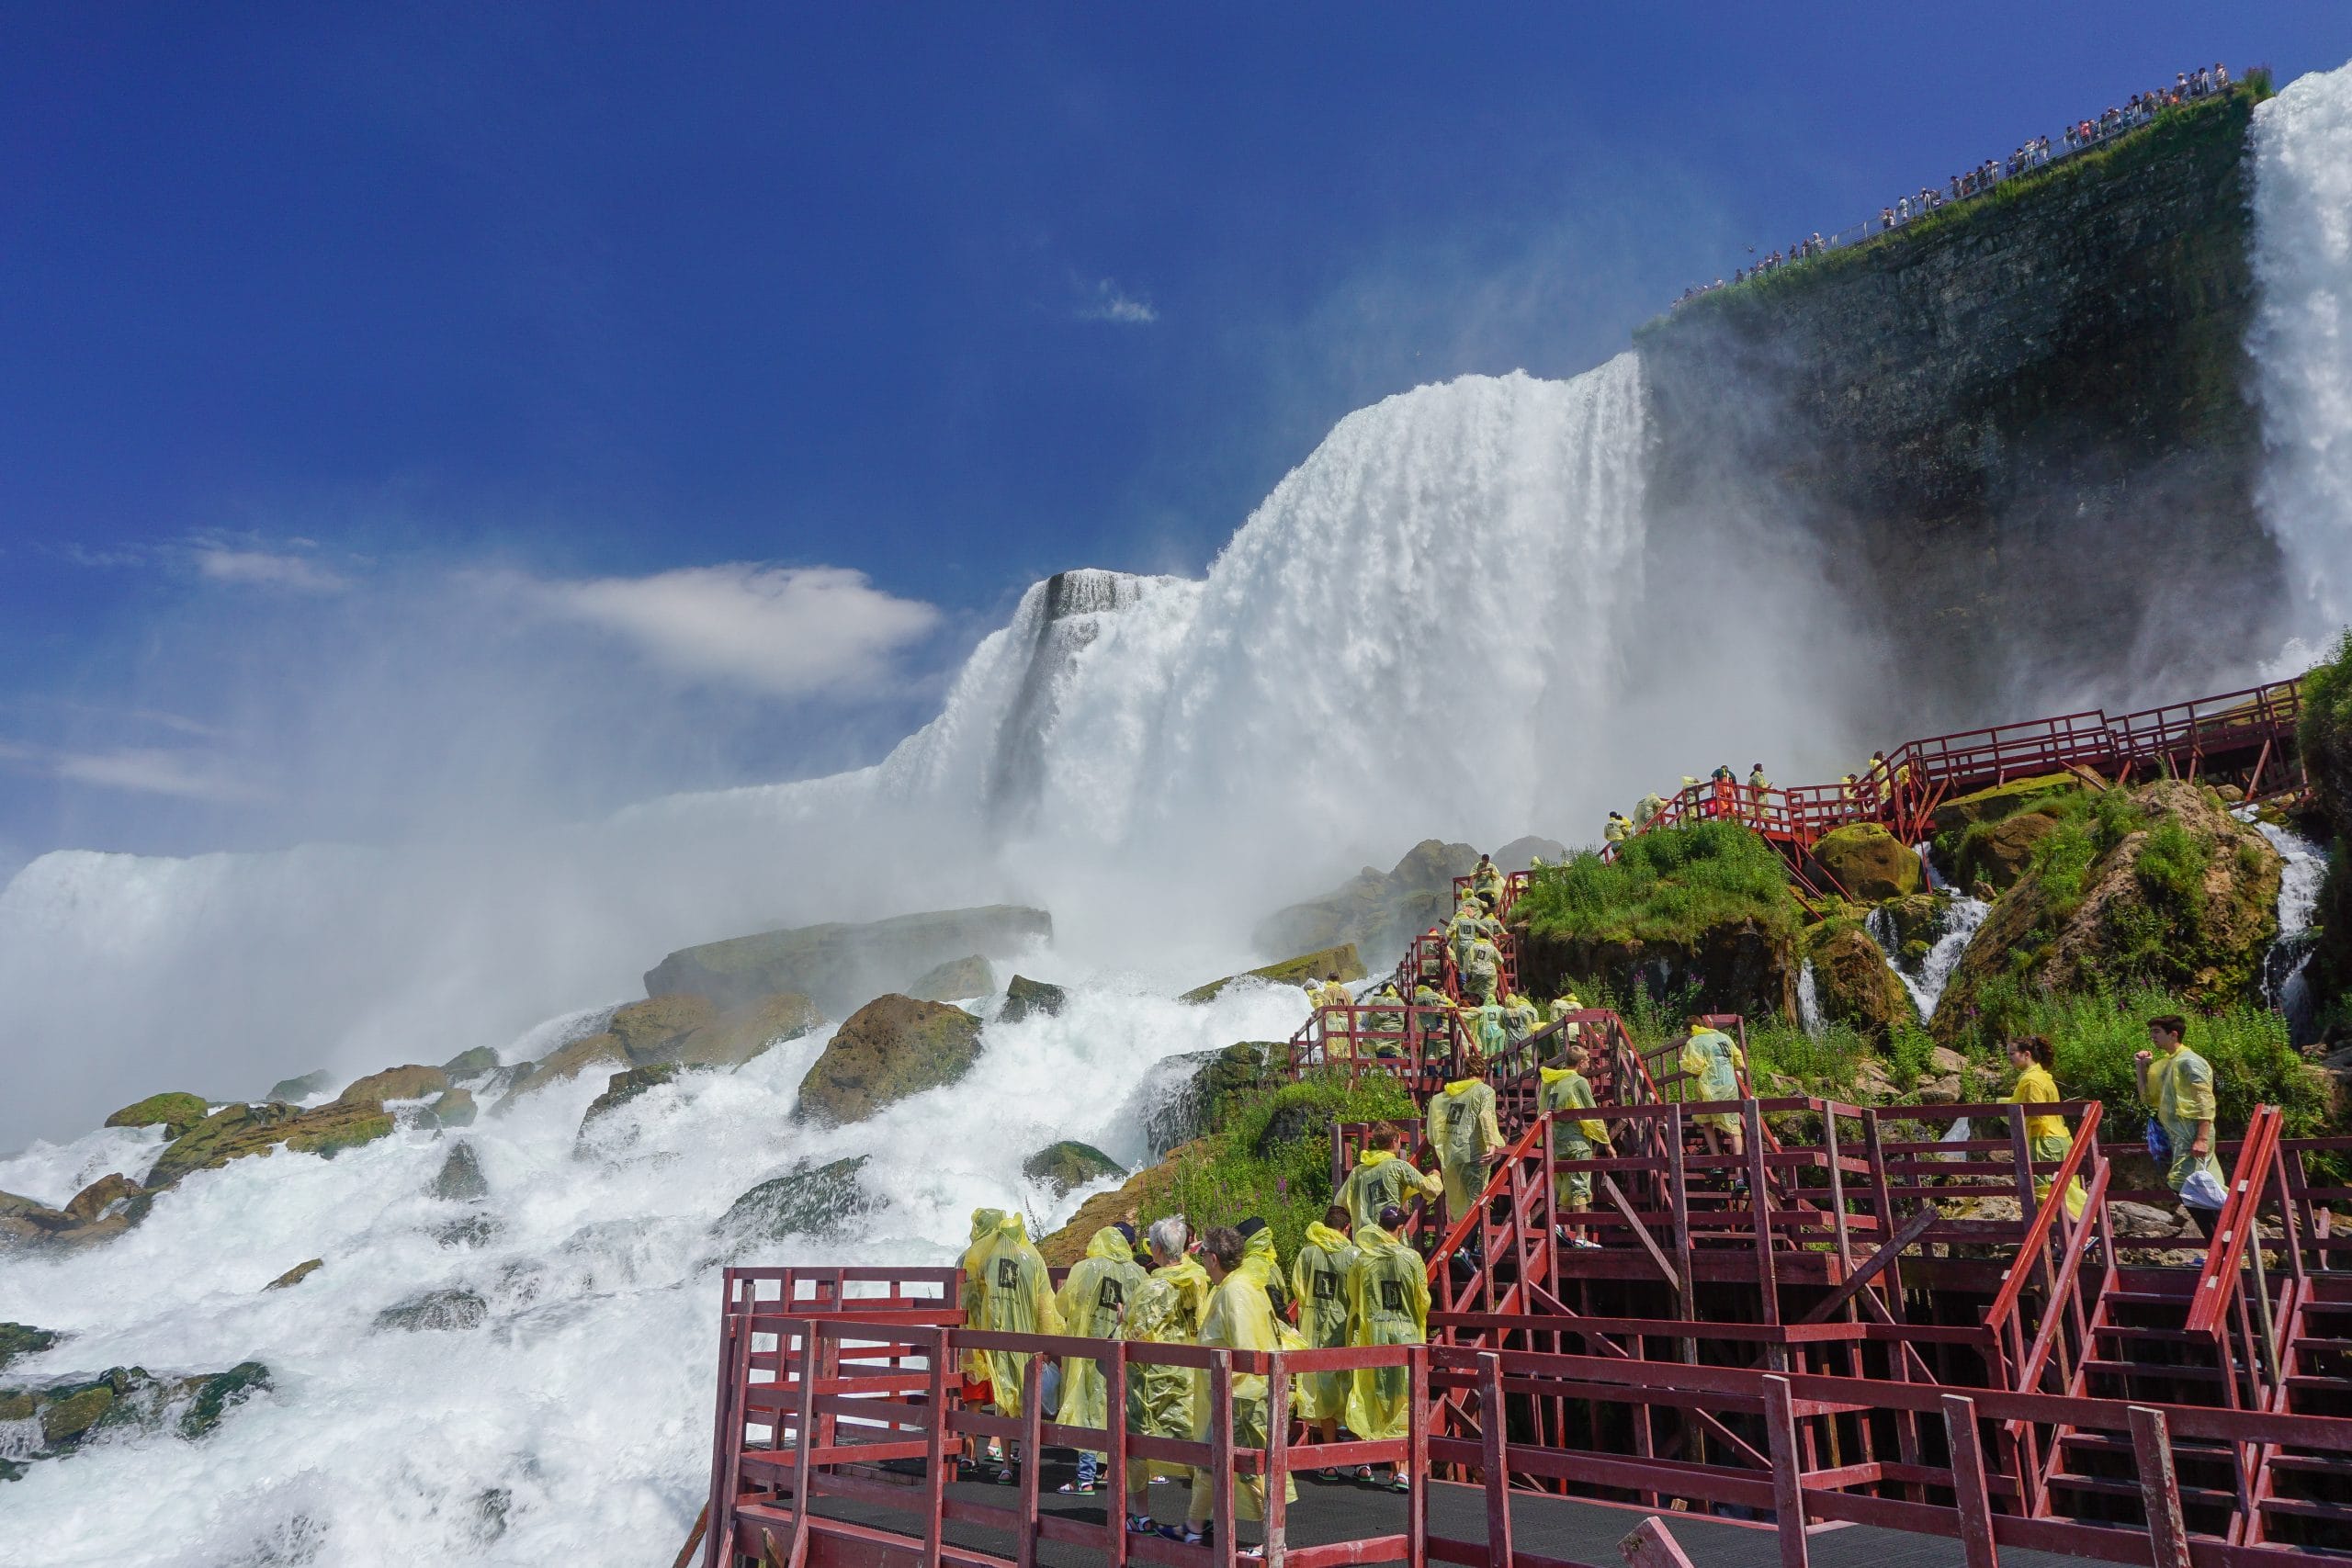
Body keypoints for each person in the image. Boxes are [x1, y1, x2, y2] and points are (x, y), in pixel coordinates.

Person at [1170, 1226, 1295, 1548]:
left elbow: (1244, 1347)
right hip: (1239, 1393)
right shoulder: (1243, 1286)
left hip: (1241, 1395)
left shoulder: (1232, 1292)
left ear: (1213, 1258)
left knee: (1250, 1470)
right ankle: (1195, 1524)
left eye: (1203, 1257)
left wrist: (1239, 1387)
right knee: (1213, 1461)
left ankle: (1273, 1541)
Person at [1121, 1216, 1209, 1535]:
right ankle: (1199, 1515)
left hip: (1153, 1380)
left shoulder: (1155, 1287)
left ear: (1156, 1248)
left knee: (1138, 1444)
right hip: (1190, 1373)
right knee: (1194, 1443)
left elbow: (1136, 1334)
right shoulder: (1198, 1277)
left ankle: (1141, 1515)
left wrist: (1123, 1317)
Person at [966, 1210, 1061, 1483]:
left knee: (1004, 1401)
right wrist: (1049, 1344)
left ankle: (1005, 1463)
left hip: (997, 1340)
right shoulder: (1033, 1259)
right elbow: (1045, 1308)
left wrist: (980, 1337)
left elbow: (977, 1299)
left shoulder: (989, 1258)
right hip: (1028, 1341)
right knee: (1026, 1398)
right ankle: (1026, 1457)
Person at [1056, 1224, 1149, 1494]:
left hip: (1090, 1348)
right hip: (1125, 1352)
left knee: (1087, 1408)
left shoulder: (1086, 1268)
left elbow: (1063, 1304)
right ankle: (1114, 1471)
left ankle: (1085, 1478)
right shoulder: (1138, 1272)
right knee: (1118, 1408)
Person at [1344, 1204, 1430, 1490]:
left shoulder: (1364, 1260)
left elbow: (1353, 1296)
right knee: (1402, 1399)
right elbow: (1423, 1300)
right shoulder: (1412, 1259)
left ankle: (1373, 1462)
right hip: (1406, 1333)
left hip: (1375, 1331)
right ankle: (1402, 1470)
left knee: (1374, 1395)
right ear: (1402, 1228)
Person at [1291, 1206, 1360, 1471]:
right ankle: (1361, 1462)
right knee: (1353, 1392)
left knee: (1325, 1396)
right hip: (1345, 1329)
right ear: (1346, 1228)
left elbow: (1298, 1287)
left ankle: (1329, 1462)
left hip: (1315, 1330)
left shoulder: (1308, 1253)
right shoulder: (1354, 1255)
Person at [2136, 1015, 2225, 1214]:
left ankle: (2221, 1230)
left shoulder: (2190, 1061)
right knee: (2200, 1185)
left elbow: (2206, 1101)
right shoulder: (2166, 1063)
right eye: (2152, 1032)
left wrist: (2201, 1138)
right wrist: (2141, 1067)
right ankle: (2222, 1233)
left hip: (2193, 1132)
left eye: (2157, 1032)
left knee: (2182, 1183)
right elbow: (2148, 1098)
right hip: (2178, 1135)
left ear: (2173, 1034)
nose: (2152, 1036)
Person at [1539, 1043, 1614, 1247]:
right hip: (1576, 1142)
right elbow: (1591, 1112)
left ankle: (1559, 1226)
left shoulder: (1550, 1082)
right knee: (1580, 1187)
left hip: (1555, 1142)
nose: (1589, 1065)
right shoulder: (1578, 1082)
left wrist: (1542, 1141)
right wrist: (1606, 1142)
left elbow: (1542, 1111)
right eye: (1587, 1061)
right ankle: (1581, 1237)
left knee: (1564, 1185)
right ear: (1580, 1063)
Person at [2005, 1037, 2086, 1223]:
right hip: (2060, 1137)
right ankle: (2065, 1239)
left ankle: (2079, 1229)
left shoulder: (2031, 1081)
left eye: (2012, 1053)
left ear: (2026, 1054)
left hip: (2044, 1140)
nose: (2009, 1058)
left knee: (2042, 1191)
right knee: (2063, 1189)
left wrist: (2010, 1112)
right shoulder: (2044, 1077)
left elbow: (2037, 1114)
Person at [1426, 1074, 1506, 1224]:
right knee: (1477, 1203)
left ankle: (1465, 1242)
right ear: (1483, 1074)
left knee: (1461, 1204)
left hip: (1451, 1157)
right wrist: (1492, 1143)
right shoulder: (1484, 1091)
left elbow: (1433, 1131)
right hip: (1473, 1154)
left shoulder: (1449, 1094)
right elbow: (1486, 1116)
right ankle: (1468, 1245)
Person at [1336, 1124, 1442, 1232]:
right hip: (1389, 1234)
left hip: (1364, 1237)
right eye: (1399, 1140)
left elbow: (1340, 1203)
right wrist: (1435, 1176)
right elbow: (1432, 1189)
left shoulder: (1357, 1172)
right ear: (1394, 1141)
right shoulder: (1398, 1167)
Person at [1679, 1019, 1748, 1178]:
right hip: (1730, 1087)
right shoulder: (1724, 1038)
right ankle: (1739, 1176)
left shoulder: (1695, 1041)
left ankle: (1716, 1162)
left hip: (1709, 1088)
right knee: (1734, 1128)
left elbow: (1695, 1067)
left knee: (1707, 1122)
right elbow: (1741, 1065)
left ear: (1689, 1031)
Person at [1314, 972, 1355, 1061]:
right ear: (1339, 979)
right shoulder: (1346, 992)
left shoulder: (1326, 992)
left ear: (1328, 979)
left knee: (1333, 1048)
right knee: (1349, 1047)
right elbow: (1352, 1007)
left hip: (1332, 1023)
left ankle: (1336, 1072)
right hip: (1347, 1021)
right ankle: (1352, 1070)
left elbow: (1323, 1008)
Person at [1462, 935, 1501, 1007]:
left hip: (1477, 972)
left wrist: (1468, 971)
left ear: (1479, 936)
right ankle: (1489, 1005)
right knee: (1489, 991)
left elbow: (1469, 960)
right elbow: (1500, 960)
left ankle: (1477, 1005)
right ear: (1487, 938)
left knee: (1468, 987)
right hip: (1490, 972)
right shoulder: (1492, 947)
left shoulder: (1473, 946)